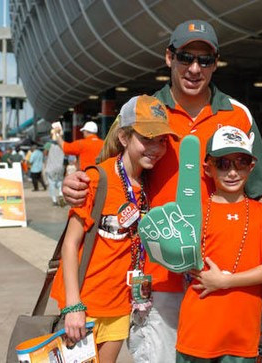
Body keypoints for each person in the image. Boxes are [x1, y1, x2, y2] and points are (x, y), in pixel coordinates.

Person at [61, 19, 262, 362]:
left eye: (204, 60)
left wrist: (256, 274)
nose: (194, 68)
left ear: (215, 63)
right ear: (168, 58)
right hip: (157, 279)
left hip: (218, 278)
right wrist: (74, 183)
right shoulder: (144, 110)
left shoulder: (238, 115)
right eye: (185, 57)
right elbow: (108, 166)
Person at [50, 94, 178, 363]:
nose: (155, 148)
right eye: (146, 138)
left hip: (121, 306)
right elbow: (70, 244)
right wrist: (74, 305)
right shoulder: (98, 179)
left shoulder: (147, 186)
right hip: (84, 304)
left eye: (161, 140)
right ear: (123, 138)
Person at [176, 126, 262, 362]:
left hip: (241, 335)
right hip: (197, 331)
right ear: (207, 167)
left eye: (241, 162)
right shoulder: (193, 212)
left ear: (251, 166)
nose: (232, 172)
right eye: (223, 163)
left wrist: (225, 281)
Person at [44, 141, 65, 207]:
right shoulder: (62, 143)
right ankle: (60, 194)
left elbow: (45, 153)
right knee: (60, 183)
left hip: (51, 168)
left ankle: (54, 201)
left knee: (52, 185)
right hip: (60, 168)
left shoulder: (48, 144)